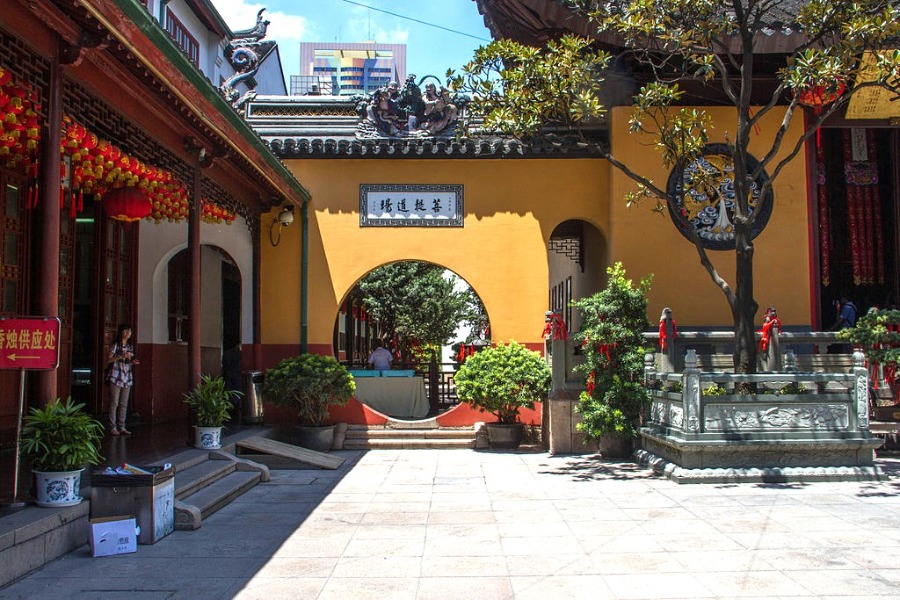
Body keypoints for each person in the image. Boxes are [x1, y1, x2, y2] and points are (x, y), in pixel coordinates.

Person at [106, 323, 139, 435]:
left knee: (124, 403)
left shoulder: (130, 346)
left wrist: (132, 362)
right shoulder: (116, 345)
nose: (127, 334)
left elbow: (128, 361)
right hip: (116, 376)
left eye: (129, 331)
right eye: (125, 331)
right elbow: (108, 359)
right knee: (114, 402)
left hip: (127, 376)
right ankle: (112, 427)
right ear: (121, 332)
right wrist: (120, 356)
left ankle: (122, 426)